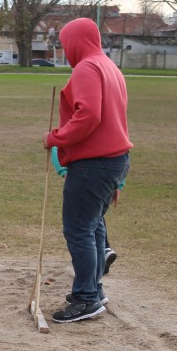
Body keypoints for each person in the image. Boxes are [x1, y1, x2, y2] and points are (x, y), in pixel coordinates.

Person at [43, 17, 132, 324]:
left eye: (65, 43)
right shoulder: (109, 66)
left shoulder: (87, 68)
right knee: (92, 227)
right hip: (115, 159)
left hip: (95, 163)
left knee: (79, 229)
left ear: (75, 42)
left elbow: (89, 115)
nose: (65, 50)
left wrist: (56, 137)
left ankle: (86, 299)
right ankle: (93, 289)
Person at [51, 147, 119, 275]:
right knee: (94, 217)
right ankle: (103, 252)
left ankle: (89, 284)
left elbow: (56, 146)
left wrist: (63, 170)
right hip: (105, 174)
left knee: (82, 226)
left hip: (87, 177)